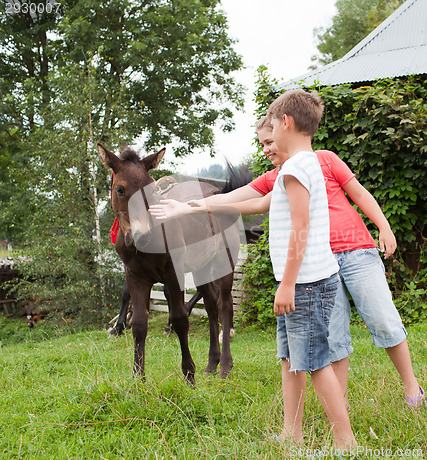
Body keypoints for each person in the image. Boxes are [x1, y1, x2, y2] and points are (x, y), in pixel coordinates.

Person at [154, 115, 426, 410]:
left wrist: (383, 227)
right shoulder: (276, 177)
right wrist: (187, 208)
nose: (265, 149)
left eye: (269, 142)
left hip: (356, 250)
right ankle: (341, 404)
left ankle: (412, 388)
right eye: (261, 144)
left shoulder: (324, 159)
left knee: (384, 321)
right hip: (321, 263)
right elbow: (238, 199)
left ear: (286, 130)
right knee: (333, 337)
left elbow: (358, 192)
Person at [151, 89, 357, 449]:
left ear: (286, 123)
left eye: (272, 125)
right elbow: (258, 202)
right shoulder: (303, 164)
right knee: (291, 359)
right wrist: (189, 208)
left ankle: (345, 441)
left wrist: (288, 284)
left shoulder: (293, 169)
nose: (270, 135)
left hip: (304, 284)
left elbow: (301, 229)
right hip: (305, 280)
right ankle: (290, 432)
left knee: (316, 364)